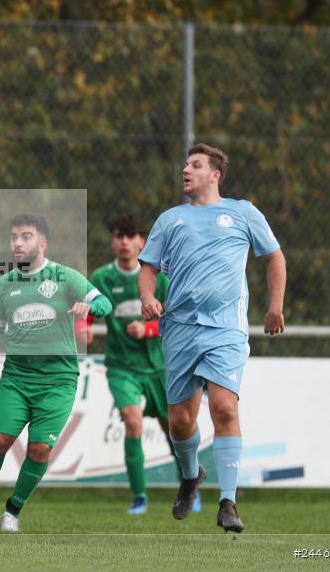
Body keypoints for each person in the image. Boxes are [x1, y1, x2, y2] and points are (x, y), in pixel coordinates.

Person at [139, 143, 286, 533]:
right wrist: (148, 297)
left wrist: (275, 306)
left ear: (215, 174)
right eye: (185, 164)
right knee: (180, 420)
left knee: (224, 409)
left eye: (195, 165)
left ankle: (228, 503)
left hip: (226, 329)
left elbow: (275, 256)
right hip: (180, 329)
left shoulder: (242, 212)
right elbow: (148, 269)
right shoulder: (170, 219)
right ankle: (191, 475)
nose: (186, 170)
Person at [0, 213, 113, 533]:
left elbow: (105, 303)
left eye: (26, 236)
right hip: (17, 377)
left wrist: (90, 307)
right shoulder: (5, 285)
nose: (18, 243)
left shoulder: (65, 277)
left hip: (58, 380)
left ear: (42, 243)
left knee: (40, 449)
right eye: (13, 237)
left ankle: (12, 512)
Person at [88, 214, 200, 515]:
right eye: (119, 236)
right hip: (122, 367)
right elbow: (87, 308)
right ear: (113, 241)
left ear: (142, 242)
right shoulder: (102, 278)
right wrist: (84, 326)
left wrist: (149, 329)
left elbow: (179, 318)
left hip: (160, 366)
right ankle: (139, 497)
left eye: (131, 236)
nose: (125, 242)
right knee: (133, 422)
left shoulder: (158, 278)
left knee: (175, 428)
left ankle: (189, 485)